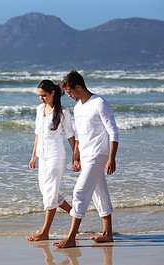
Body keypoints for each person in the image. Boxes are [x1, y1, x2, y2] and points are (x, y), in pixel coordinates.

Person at [53, 70, 119, 248]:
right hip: (86, 154)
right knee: (100, 194)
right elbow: (80, 135)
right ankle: (108, 234)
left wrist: (111, 158)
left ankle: (71, 237)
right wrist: (76, 155)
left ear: (78, 86)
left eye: (70, 92)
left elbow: (113, 131)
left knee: (80, 192)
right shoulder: (78, 107)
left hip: (99, 153)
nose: (69, 96)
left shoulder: (99, 103)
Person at [28, 80, 76, 241]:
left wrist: (76, 155)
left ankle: (45, 232)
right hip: (42, 156)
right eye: (39, 96)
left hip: (56, 156)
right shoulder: (39, 109)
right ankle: (76, 215)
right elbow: (38, 133)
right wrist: (34, 155)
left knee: (50, 195)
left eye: (44, 95)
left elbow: (70, 135)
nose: (41, 98)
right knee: (48, 193)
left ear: (53, 93)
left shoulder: (63, 112)